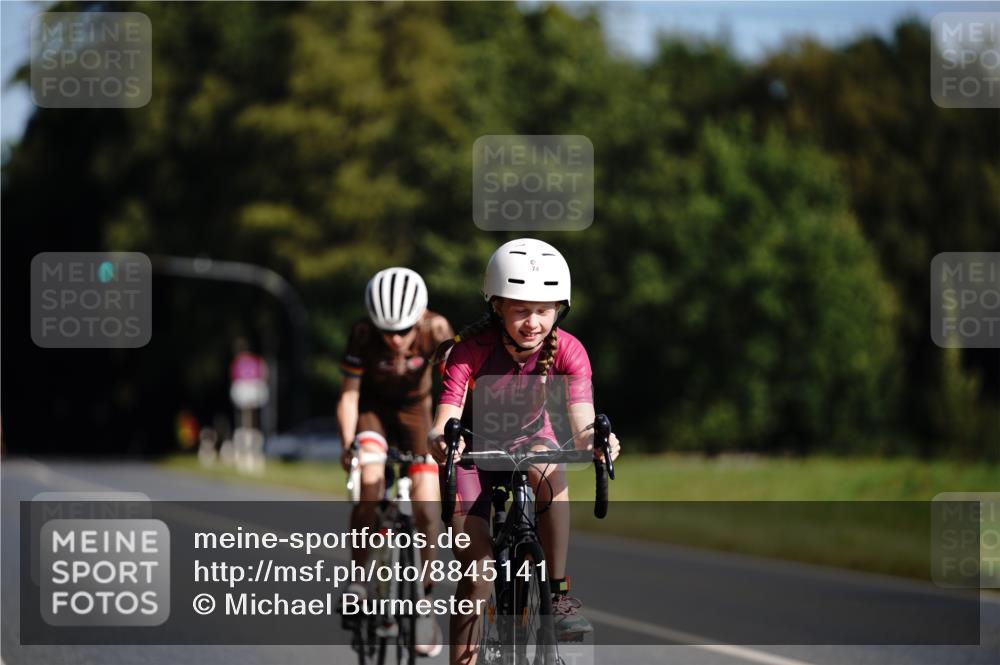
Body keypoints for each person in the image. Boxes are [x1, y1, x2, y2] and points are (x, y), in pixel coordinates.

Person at [428, 238, 621, 664]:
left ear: (559, 308)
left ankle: (557, 591)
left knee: (547, 461)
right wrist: (441, 439)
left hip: (528, 443)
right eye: (520, 309)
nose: (532, 322)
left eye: (544, 309)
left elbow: (581, 421)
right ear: (497, 306)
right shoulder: (469, 351)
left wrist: (599, 442)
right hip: (474, 457)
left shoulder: (570, 350)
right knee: (478, 573)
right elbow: (445, 417)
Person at [337, 266, 455, 658]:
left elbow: (456, 387)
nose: (395, 339)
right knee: (370, 481)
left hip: (415, 414)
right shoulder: (363, 334)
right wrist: (347, 445)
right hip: (373, 411)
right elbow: (350, 396)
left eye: (403, 330)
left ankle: (424, 601)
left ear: (419, 317)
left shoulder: (436, 330)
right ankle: (358, 579)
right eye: (386, 330)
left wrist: (452, 433)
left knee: (426, 507)